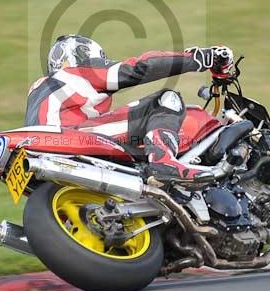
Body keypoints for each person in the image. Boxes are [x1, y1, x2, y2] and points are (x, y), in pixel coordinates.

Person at [24, 34, 234, 182]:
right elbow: (140, 68)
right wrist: (199, 58)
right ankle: (164, 161)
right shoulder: (78, 72)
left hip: (41, 153)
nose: (101, 63)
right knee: (166, 100)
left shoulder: (39, 90)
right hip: (71, 137)